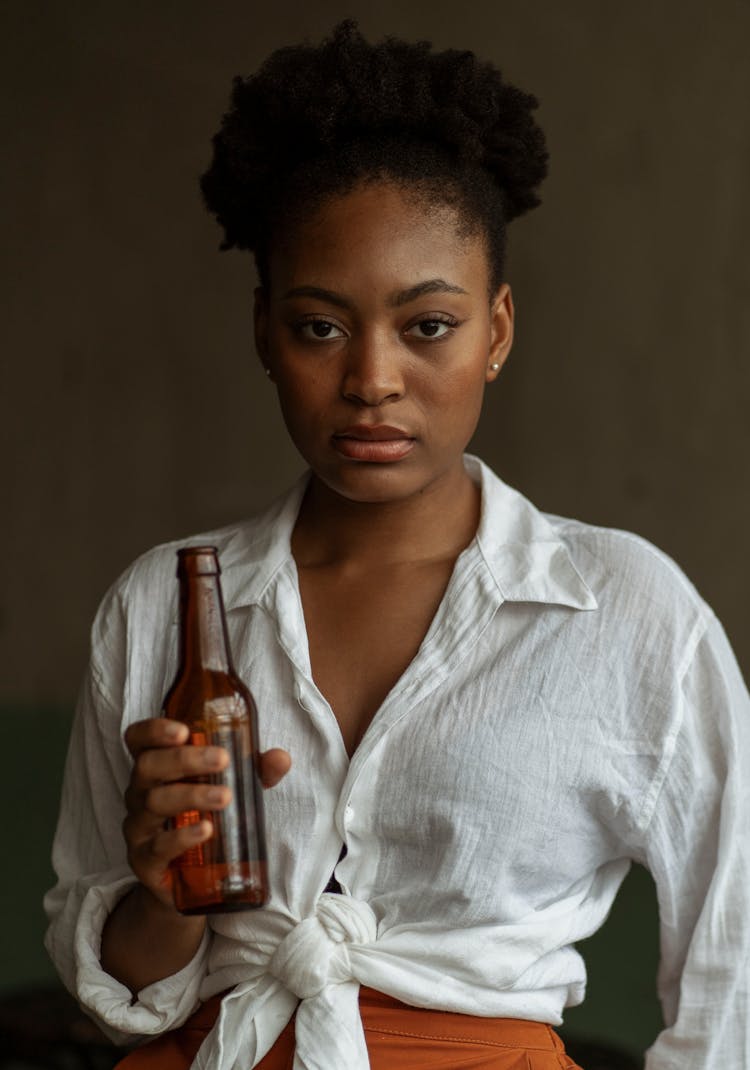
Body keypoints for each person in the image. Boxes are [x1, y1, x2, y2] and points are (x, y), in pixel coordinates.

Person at [44, 20, 749, 1070]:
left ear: (497, 331)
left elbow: (732, 972)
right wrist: (164, 893)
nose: (372, 377)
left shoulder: (629, 611)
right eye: (320, 326)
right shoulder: (164, 605)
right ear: (264, 334)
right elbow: (119, 999)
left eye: (428, 325)